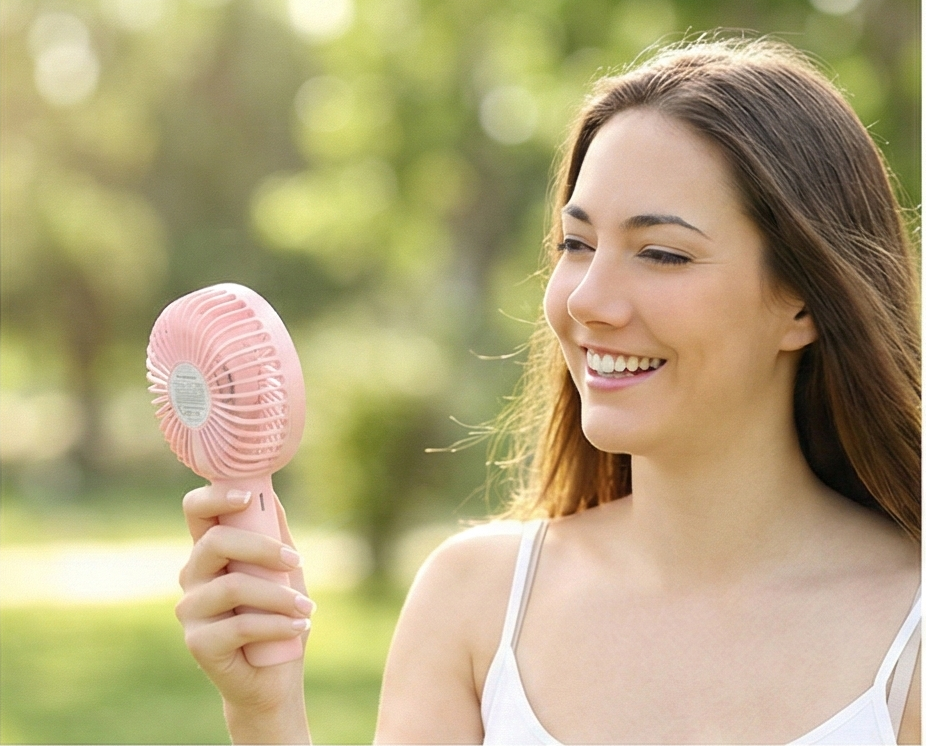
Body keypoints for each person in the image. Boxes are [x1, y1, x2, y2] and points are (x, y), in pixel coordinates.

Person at [175, 35, 921, 744]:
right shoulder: (476, 603)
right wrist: (265, 713)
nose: (589, 298)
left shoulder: (907, 632)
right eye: (576, 244)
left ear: (802, 300)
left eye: (661, 254)